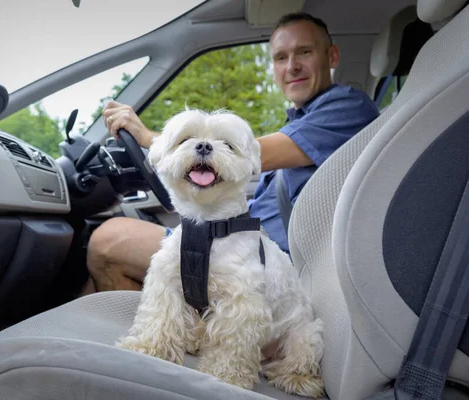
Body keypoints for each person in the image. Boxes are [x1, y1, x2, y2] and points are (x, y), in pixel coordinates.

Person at [84, 12, 380, 293]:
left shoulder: (348, 107)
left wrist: (150, 138)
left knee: (107, 243)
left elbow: (245, 154)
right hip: (241, 243)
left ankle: (150, 344)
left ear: (332, 57)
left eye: (304, 52)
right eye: (280, 57)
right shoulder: (303, 119)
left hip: (264, 260)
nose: (291, 66)